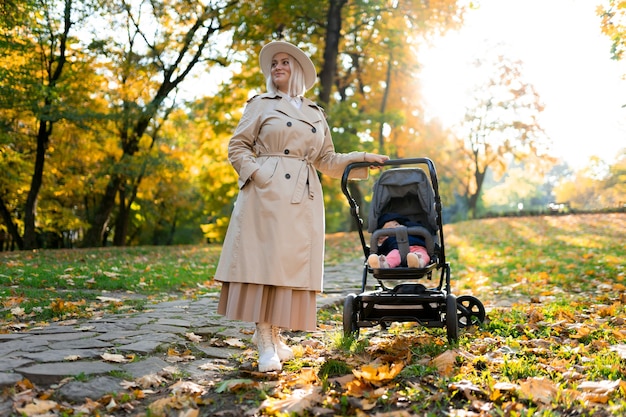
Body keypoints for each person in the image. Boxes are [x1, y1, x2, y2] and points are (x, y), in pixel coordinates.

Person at [214, 40, 389, 373]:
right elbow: (238, 146)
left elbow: (326, 159)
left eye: (285, 62)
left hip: (303, 196)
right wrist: (259, 174)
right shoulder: (260, 104)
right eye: (274, 63)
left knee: (287, 267)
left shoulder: (315, 113)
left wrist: (360, 159)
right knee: (264, 265)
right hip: (265, 194)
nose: (277, 66)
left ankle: (274, 335)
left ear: (297, 70)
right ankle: (265, 340)